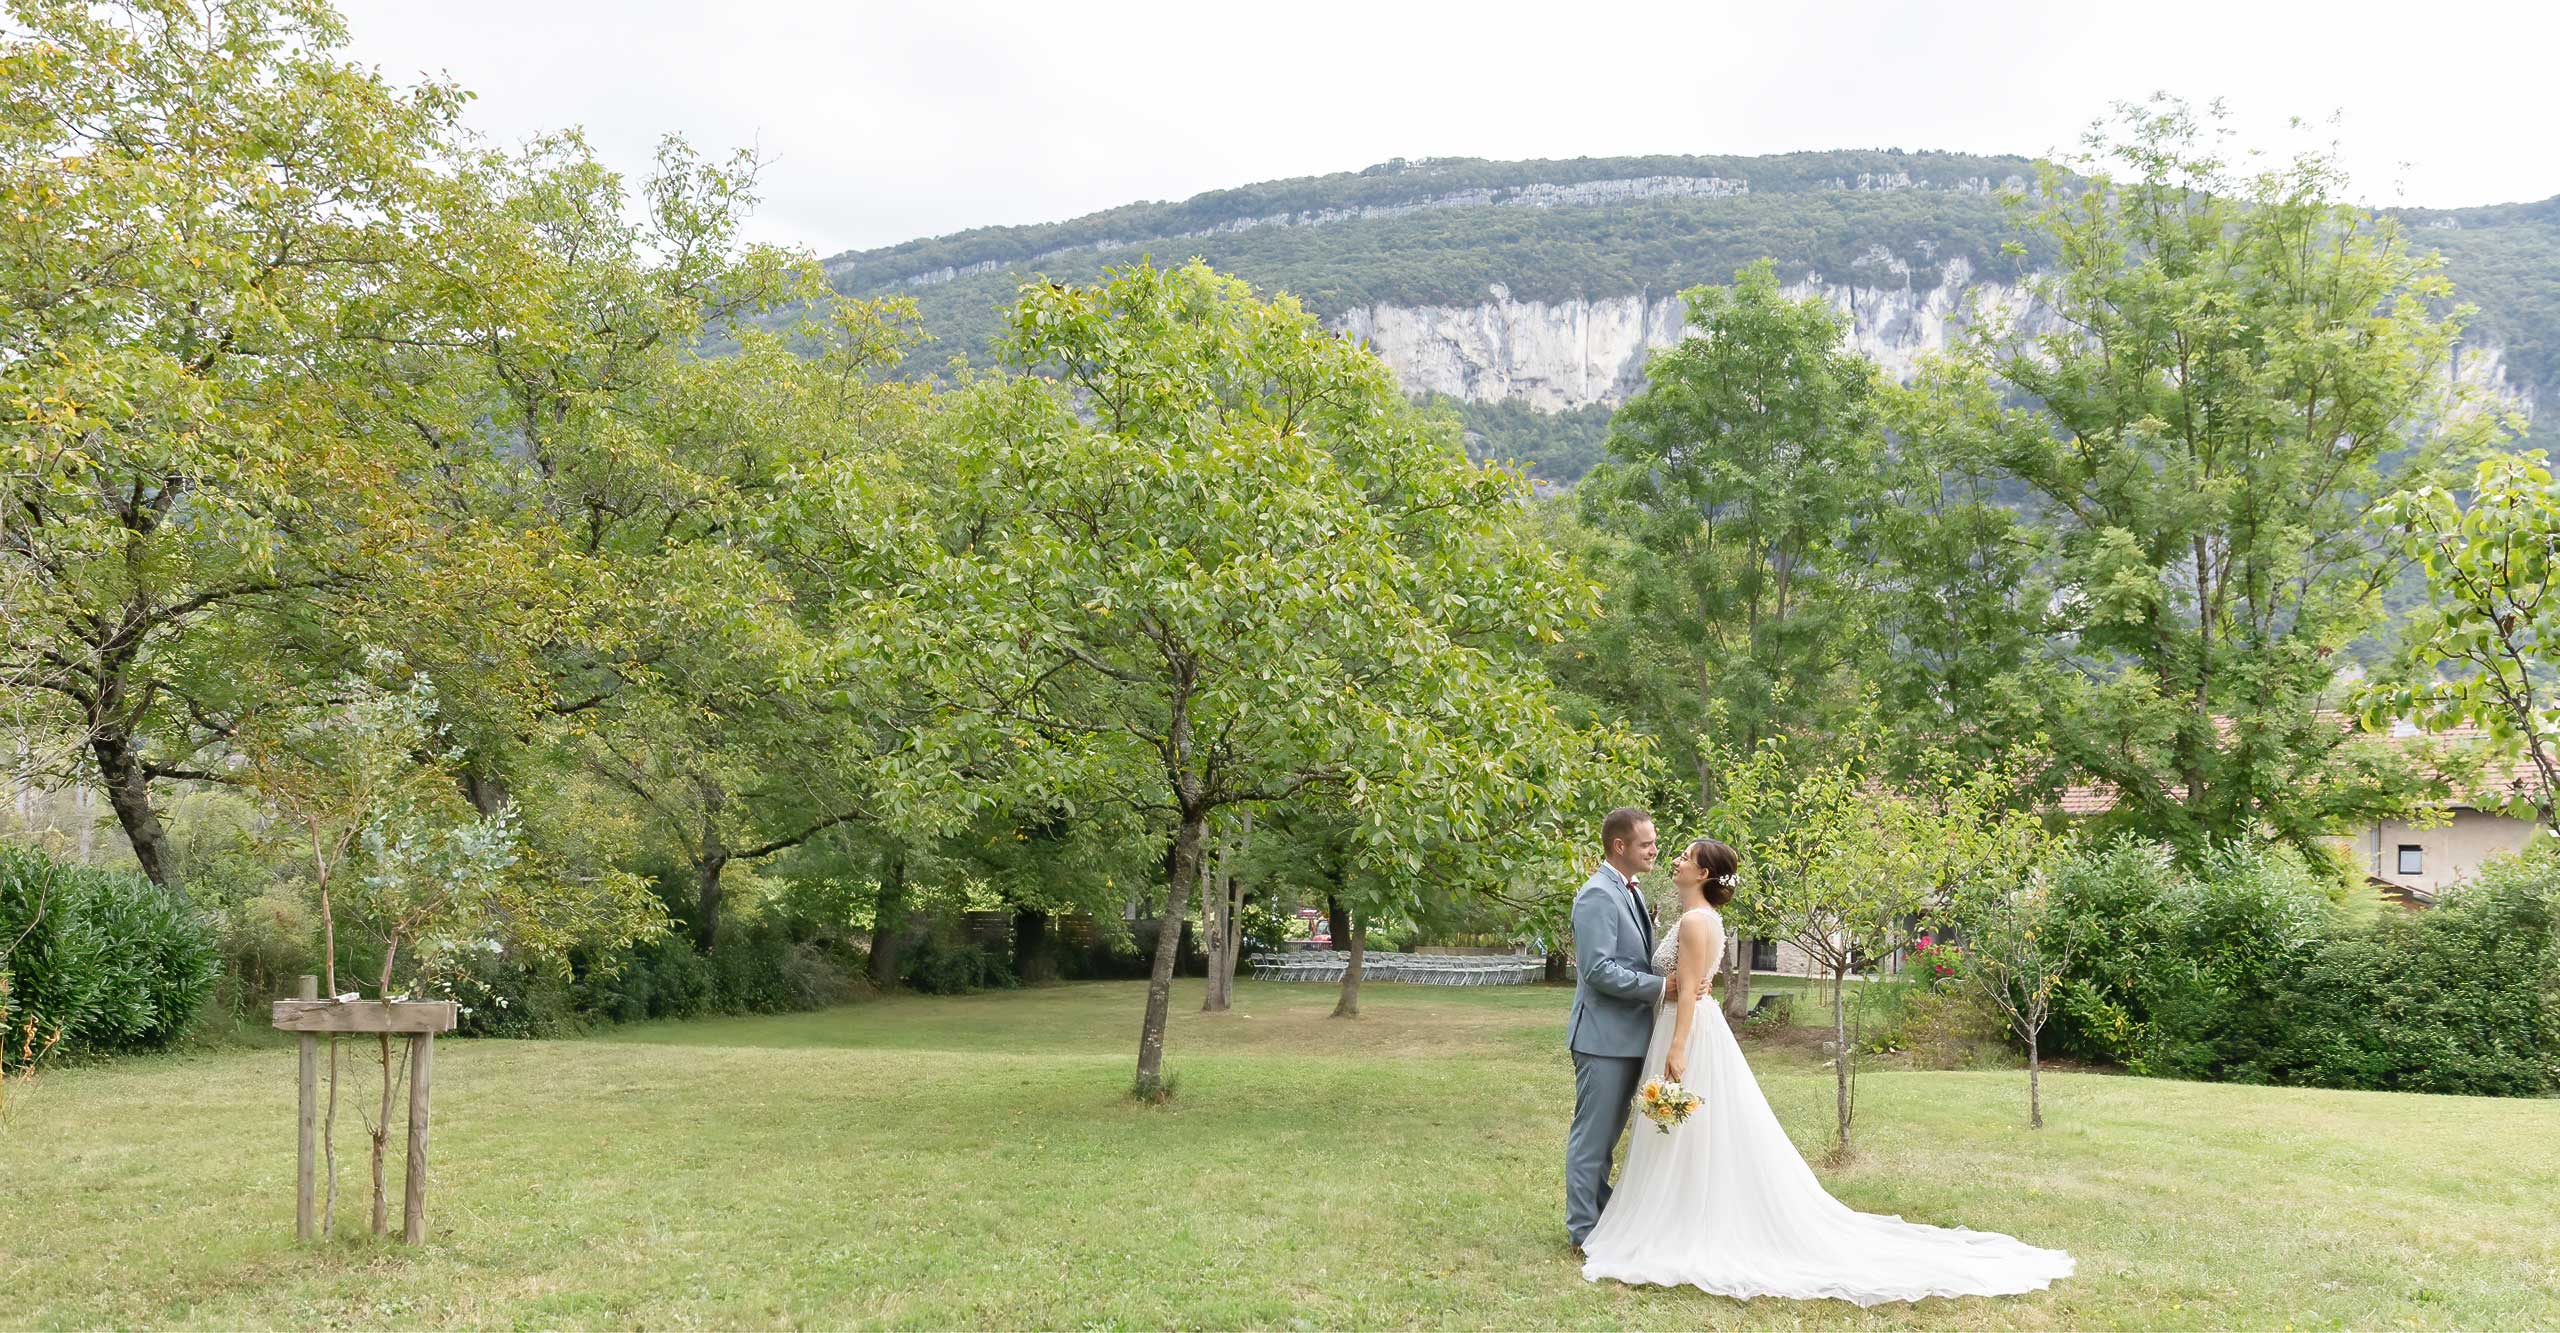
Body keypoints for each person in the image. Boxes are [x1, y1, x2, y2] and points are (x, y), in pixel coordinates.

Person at [1577, 836, 2076, 1304]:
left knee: (1683, 1125)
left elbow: (1688, 989)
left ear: (1703, 871)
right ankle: (1676, 1213)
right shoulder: (1701, 917)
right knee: (1691, 1129)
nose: (1676, 860)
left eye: (1685, 856)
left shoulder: (1694, 922)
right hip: (1690, 1024)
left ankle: (1673, 1221)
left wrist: (1678, 1046)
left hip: (1685, 1028)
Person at [1562, 805, 1672, 1251]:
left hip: (1628, 1036)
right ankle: (1583, 1232)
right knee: (1593, 1137)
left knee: (1608, 1135)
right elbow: (1598, 970)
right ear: (1619, 846)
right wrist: (1663, 986)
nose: (1654, 850)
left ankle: (1602, 1219)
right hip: (1603, 1039)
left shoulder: (1629, 890)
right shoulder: (1597, 894)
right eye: (1646, 844)